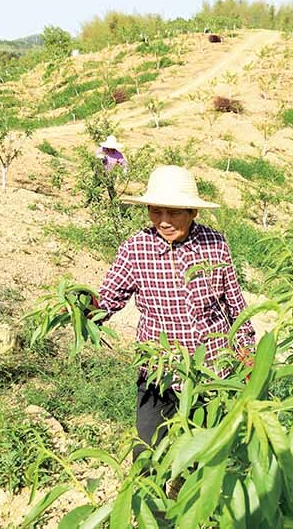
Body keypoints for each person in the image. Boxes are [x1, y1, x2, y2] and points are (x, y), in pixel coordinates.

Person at [95, 165, 255, 462]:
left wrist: (247, 355)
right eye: (156, 212)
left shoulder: (215, 244)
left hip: (210, 373)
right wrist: (80, 308)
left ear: (193, 212)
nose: (164, 222)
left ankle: (194, 505)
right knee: (147, 456)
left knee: (203, 458)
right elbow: (107, 300)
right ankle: (152, 509)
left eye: (174, 213)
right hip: (159, 373)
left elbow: (236, 307)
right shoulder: (135, 248)